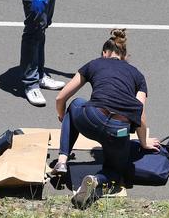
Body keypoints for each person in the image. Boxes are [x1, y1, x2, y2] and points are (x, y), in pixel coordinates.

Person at [53, 29, 160, 209]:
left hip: (92, 118)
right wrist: (144, 143)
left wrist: (65, 118)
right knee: (115, 172)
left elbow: (60, 98)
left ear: (105, 53)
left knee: (76, 104)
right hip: (118, 130)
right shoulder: (138, 75)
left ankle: (62, 161)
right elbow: (139, 112)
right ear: (125, 56)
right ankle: (96, 180)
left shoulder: (95, 63)